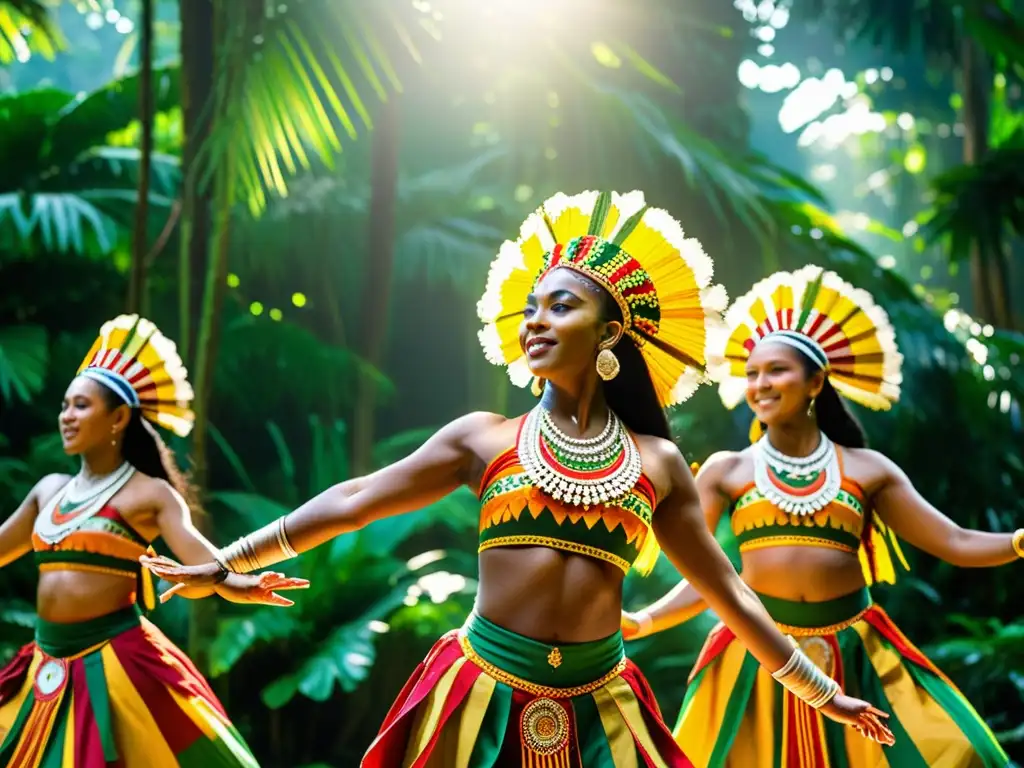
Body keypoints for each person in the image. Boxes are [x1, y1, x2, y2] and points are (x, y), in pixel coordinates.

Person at [142, 192, 894, 767]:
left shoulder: (658, 463)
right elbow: (354, 499)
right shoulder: (482, 438)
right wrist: (227, 563)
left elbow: (726, 591)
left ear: (609, 334)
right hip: (479, 695)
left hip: (607, 710)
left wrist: (819, 690)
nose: (536, 319)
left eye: (561, 305)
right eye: (532, 305)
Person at [622, 266, 1017, 767]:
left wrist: (1020, 541)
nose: (760, 384)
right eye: (752, 373)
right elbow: (708, 577)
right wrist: (645, 620)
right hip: (753, 658)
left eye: (776, 371)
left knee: (959, 754)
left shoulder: (868, 470)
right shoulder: (728, 470)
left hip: (859, 652)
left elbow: (955, 542)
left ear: (816, 382)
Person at [0, 314, 306, 767]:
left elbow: (204, 563)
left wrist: (243, 585)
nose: (66, 416)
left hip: (116, 659)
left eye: (81, 405)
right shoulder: (48, 489)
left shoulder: (150, 493)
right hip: (43, 660)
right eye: (65, 405)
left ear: (119, 416)